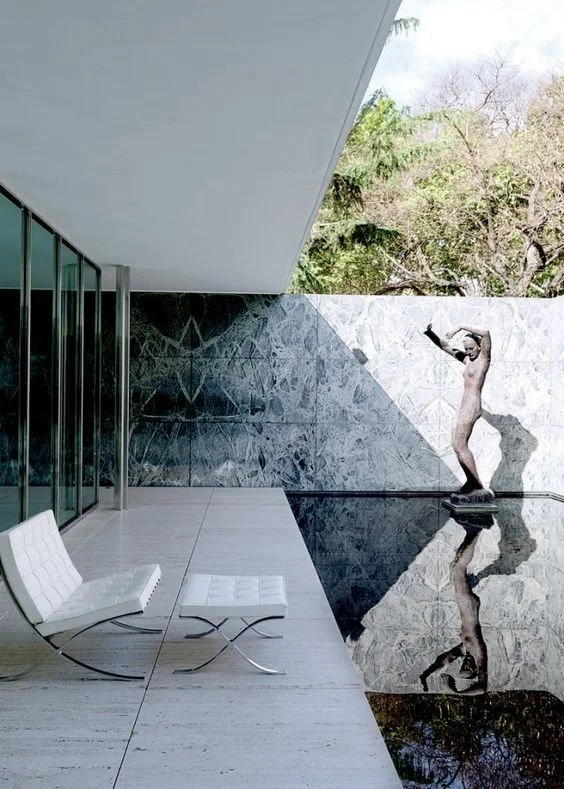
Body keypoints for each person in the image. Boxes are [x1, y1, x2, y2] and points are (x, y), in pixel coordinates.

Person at [424, 322, 492, 497]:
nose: (469, 352)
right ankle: (471, 482)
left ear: (479, 346)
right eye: (466, 349)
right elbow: (446, 347)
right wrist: (430, 334)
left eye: (471, 348)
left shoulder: (484, 358)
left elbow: (485, 332)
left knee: (461, 444)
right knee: (456, 445)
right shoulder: (468, 360)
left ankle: (477, 486)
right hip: (464, 404)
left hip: (472, 404)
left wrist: (459, 327)